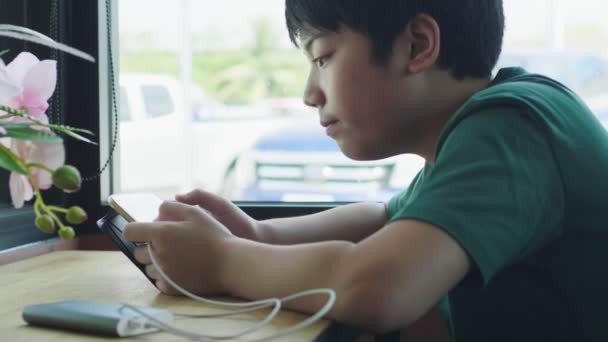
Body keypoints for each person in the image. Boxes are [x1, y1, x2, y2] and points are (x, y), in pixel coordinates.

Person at [123, 1, 608, 341]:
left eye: (323, 57)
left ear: (418, 45)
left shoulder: (512, 129)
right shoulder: (490, 127)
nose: (310, 92)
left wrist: (223, 261)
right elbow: (386, 221)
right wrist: (261, 235)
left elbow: (379, 287)